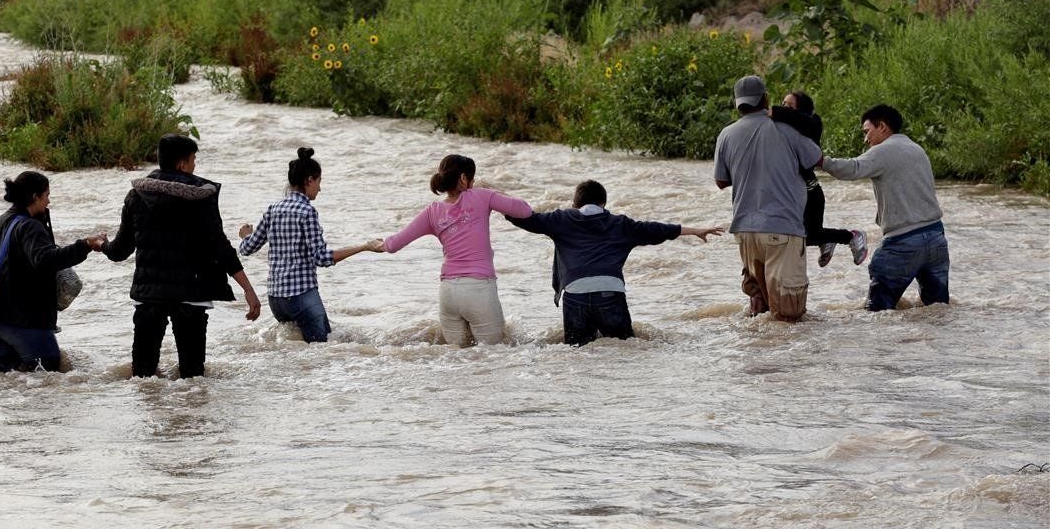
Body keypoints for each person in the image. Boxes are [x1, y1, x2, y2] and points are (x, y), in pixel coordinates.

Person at [101, 134, 261, 379]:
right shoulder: (202, 198)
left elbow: (120, 250)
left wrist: (101, 245)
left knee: (143, 378)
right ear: (182, 165)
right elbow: (221, 247)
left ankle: (144, 419)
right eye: (193, 159)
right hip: (192, 295)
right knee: (193, 377)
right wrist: (248, 290)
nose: (195, 165)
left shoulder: (136, 197)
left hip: (149, 295)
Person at [506, 180, 723, 346]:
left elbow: (526, 218)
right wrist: (695, 230)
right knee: (625, 347)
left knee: (577, 354)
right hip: (611, 291)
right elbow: (657, 229)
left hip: (575, 292)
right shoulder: (621, 224)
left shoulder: (562, 219)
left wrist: (494, 201)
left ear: (574, 204)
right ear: (603, 204)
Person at [375, 154, 533, 346]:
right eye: (472, 179)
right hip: (479, 289)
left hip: (448, 293)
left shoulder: (432, 211)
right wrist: (496, 191)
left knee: (456, 362)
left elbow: (393, 244)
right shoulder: (482, 195)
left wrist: (373, 245)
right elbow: (525, 210)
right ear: (464, 179)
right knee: (495, 358)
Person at [237, 148, 379, 343]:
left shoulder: (273, 209)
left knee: (296, 353)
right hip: (301, 296)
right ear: (309, 180)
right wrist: (364, 246)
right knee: (323, 350)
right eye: (319, 182)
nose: (319, 188)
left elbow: (246, 248)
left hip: (276, 299)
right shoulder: (307, 212)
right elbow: (322, 258)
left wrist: (246, 235)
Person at [819, 104, 950, 311]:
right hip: (936, 239)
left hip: (903, 242)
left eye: (867, 131)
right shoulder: (917, 149)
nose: (866, 139)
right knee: (937, 309)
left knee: (877, 313)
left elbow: (853, 169)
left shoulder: (883, 151)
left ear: (882, 127)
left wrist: (821, 162)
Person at [714, 75, 822, 321]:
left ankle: (759, 361)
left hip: (745, 231)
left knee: (758, 308)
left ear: (737, 103)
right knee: (789, 318)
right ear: (766, 98)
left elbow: (721, 181)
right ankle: (786, 361)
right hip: (783, 229)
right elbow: (815, 159)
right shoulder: (787, 130)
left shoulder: (726, 135)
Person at [0, 171, 106, 372]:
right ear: (34, 197)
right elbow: (46, 260)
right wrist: (86, 245)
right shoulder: (30, 227)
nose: (49, 201)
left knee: (7, 382)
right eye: (46, 195)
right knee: (48, 374)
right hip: (26, 322)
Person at [771, 89, 868, 267]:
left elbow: (800, 120)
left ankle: (852, 236)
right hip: (801, 191)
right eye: (783, 104)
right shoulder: (783, 129)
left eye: (790, 106)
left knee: (803, 236)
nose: (784, 108)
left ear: (803, 110)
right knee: (794, 235)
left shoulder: (810, 125)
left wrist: (774, 112)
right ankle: (826, 240)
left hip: (811, 193)